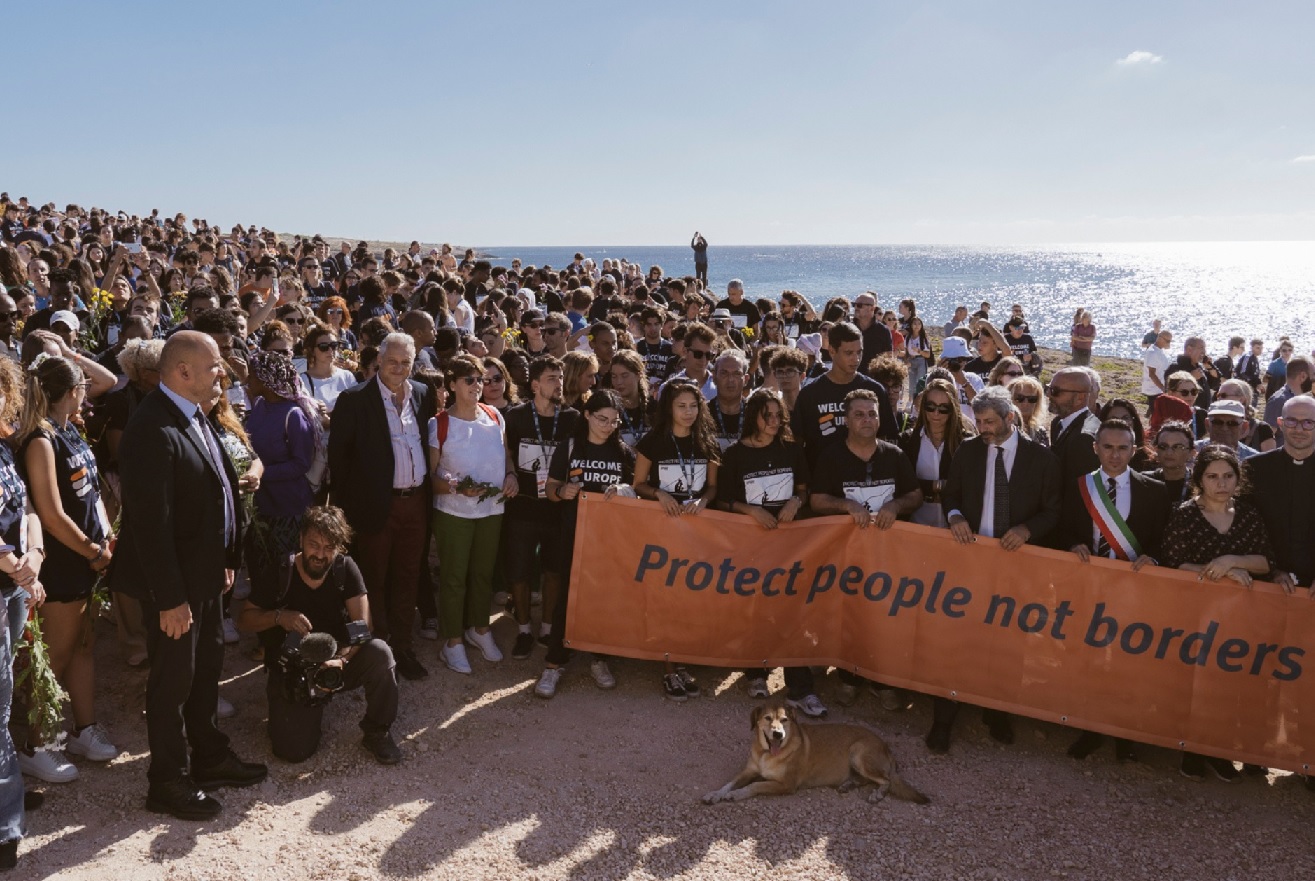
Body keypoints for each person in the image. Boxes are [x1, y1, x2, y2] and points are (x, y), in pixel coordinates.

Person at [112, 331, 266, 820]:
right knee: (172, 684)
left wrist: (223, 558)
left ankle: (210, 757)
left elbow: (211, 494)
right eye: (215, 364)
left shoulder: (194, 415)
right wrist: (170, 598)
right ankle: (167, 781)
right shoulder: (150, 430)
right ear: (182, 372)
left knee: (204, 673)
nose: (223, 371)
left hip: (204, 577)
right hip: (174, 589)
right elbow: (149, 526)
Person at [933, 386, 1061, 753]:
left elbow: (1053, 510)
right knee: (958, 638)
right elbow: (951, 494)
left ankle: (998, 711)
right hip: (971, 563)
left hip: (1017, 567)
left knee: (1010, 641)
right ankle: (944, 717)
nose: (983, 429)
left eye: (989, 422)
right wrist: (955, 516)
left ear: (1010, 418)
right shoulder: (969, 451)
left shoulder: (1042, 460)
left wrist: (1027, 529)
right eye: (978, 422)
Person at [16, 355, 118, 782]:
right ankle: (35, 744)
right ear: (73, 390)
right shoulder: (40, 439)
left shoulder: (68, 429)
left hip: (88, 558)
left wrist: (105, 535)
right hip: (62, 563)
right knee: (53, 657)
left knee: (83, 645)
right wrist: (92, 548)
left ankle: (84, 727)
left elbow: (90, 493)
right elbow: (51, 515)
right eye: (83, 386)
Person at [237, 507, 402, 764]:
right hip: (293, 667)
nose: (320, 555)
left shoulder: (344, 569)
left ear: (338, 547)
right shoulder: (281, 571)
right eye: (314, 545)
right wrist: (280, 617)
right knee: (292, 752)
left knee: (381, 653)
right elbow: (244, 620)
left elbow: (363, 627)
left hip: (335, 660)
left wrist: (343, 661)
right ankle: (290, 709)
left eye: (329, 547)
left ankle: (377, 730)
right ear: (301, 539)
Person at [1159, 445, 1274, 782]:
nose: (1221, 483)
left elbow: (1266, 561)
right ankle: (1193, 750)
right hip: (1195, 615)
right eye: (1212, 476)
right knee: (1196, 684)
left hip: (1242, 617)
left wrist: (1232, 561)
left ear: (1238, 480)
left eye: (1228, 476)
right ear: (1199, 480)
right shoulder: (1184, 514)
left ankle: (1224, 751)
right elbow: (1174, 561)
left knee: (1232, 684)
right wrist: (1221, 573)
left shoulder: (1249, 514)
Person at [326, 333, 437, 682]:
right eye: (393, 361)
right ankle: (378, 649)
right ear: (379, 360)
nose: (399, 369)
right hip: (376, 506)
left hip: (416, 501)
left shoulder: (421, 393)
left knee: (409, 575)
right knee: (373, 577)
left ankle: (403, 646)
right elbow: (338, 460)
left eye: (406, 362)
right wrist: (345, 513)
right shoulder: (354, 399)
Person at [1061, 418, 1171, 763]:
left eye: (1123, 447)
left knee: (1127, 662)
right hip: (1088, 586)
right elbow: (1062, 527)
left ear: (1134, 450)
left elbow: (1164, 540)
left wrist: (1154, 558)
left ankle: (1124, 732)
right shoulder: (1079, 487)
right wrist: (1072, 543)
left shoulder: (1155, 490)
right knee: (1090, 659)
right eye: (1107, 447)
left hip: (1133, 592)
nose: (1114, 454)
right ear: (1096, 448)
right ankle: (1090, 728)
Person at [811, 389, 924, 712]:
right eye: (859, 414)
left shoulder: (894, 454)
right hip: (847, 558)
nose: (866, 420)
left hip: (890, 559)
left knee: (885, 619)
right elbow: (816, 500)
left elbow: (915, 495)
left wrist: (896, 504)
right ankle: (849, 678)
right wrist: (845, 504)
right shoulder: (831, 457)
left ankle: (882, 682)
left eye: (872, 414)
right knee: (851, 617)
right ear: (846, 420)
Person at [715, 389, 815, 706]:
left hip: (789, 544)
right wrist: (751, 511)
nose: (774, 421)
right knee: (754, 609)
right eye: (767, 415)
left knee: (790, 610)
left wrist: (796, 503)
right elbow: (721, 500)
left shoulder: (792, 449)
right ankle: (756, 673)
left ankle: (799, 686)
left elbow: (804, 488)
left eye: (778, 415)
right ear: (753, 416)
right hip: (751, 545)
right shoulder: (734, 455)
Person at [536, 390, 636, 698]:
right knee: (567, 596)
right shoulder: (568, 448)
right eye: (601, 419)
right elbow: (549, 488)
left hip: (609, 540)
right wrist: (562, 490)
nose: (607, 426)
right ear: (587, 416)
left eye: (613, 421)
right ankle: (554, 664)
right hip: (572, 535)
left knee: (603, 599)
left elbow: (637, 492)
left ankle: (599, 658)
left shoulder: (623, 453)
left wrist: (625, 490)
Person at [633, 381, 720, 700]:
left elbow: (712, 487)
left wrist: (704, 501)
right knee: (666, 598)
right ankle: (669, 668)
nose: (688, 412)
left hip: (697, 533)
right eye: (681, 406)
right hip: (662, 532)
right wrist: (659, 494)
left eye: (693, 406)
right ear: (669, 408)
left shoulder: (707, 441)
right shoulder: (653, 441)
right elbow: (638, 483)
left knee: (691, 599)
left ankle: (683, 662)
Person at [428, 355, 515, 674]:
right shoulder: (439, 423)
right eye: (471, 380)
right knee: (454, 578)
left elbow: (506, 456)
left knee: (482, 574)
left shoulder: (494, 415)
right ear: (452, 385)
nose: (479, 386)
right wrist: (455, 488)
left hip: (493, 510)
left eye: (482, 380)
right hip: (453, 514)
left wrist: (511, 476)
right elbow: (432, 479)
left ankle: (479, 629)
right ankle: (452, 643)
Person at [502, 356, 580, 661]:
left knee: (554, 571)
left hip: (557, 508)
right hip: (523, 507)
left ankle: (547, 628)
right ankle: (523, 630)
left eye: (560, 377)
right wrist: (510, 473)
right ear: (534, 384)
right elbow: (506, 451)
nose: (558, 382)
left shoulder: (573, 417)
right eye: (551, 378)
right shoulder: (516, 416)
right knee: (519, 573)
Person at [0, 353, 44, 868]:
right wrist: (10, 561)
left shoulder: (5, 448)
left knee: (5, 700)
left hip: (14, 588)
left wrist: (32, 557)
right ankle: (6, 825)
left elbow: (27, 507)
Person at [244, 351, 320, 570]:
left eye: (253, 376)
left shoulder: (293, 415)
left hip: (288, 507)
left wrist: (261, 473)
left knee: (284, 567)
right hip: (261, 504)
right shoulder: (259, 405)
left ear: (267, 380)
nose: (248, 380)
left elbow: (301, 464)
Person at [792, 322, 898, 471]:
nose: (856, 359)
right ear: (832, 351)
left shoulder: (874, 390)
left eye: (859, 352)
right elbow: (797, 441)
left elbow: (884, 438)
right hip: (822, 481)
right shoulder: (810, 393)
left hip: (863, 479)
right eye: (849, 353)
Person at [1244, 395, 1315, 595]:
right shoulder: (1253, 468)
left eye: (1308, 422)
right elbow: (1242, 525)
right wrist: (1270, 571)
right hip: (1265, 584)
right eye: (1292, 421)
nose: (1299, 429)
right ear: (1280, 423)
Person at [899, 378, 973, 527]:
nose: (936, 413)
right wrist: (938, 486)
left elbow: (970, 485)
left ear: (953, 409)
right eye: (930, 406)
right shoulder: (908, 440)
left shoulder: (966, 442)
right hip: (917, 526)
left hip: (955, 528)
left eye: (943, 408)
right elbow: (902, 483)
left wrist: (927, 487)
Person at [1047, 367, 1101, 512]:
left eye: (1055, 391)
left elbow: (1078, 494)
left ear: (1080, 398)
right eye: (1049, 389)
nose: (1049, 395)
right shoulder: (1058, 423)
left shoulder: (1084, 438)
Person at [1262, 355, 1313, 442]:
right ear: (1303, 376)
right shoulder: (1279, 400)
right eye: (1314, 374)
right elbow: (1267, 437)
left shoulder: (1302, 398)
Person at [1142, 421, 1194, 504]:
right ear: (1156, 450)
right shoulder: (1142, 482)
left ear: (1191, 453)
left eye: (1177, 447)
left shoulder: (1201, 483)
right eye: (1163, 446)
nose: (1169, 452)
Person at [608, 350, 651, 447]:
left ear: (638, 375)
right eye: (614, 376)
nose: (619, 382)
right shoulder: (609, 409)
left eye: (624, 376)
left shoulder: (654, 407)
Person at [710, 350, 748, 451]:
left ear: (746, 379)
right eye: (724, 373)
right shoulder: (702, 413)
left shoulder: (756, 413)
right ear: (714, 377)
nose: (730, 379)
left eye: (736, 373)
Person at [852, 292, 892, 373]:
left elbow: (888, 358)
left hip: (874, 379)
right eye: (854, 304)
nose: (856, 308)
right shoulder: (849, 328)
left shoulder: (883, 331)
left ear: (872, 308)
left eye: (859, 305)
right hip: (851, 378)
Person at [1010, 375, 1050, 447]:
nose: (1026, 403)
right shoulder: (1001, 430)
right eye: (1019, 398)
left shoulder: (1040, 432)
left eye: (1032, 399)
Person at [1142, 329, 1173, 412]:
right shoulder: (1152, 352)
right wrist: (1163, 388)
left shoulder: (1158, 350)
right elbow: (1152, 374)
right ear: (1160, 338)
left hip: (1158, 390)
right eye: (1167, 341)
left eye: (1170, 341)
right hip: (1154, 391)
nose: (1169, 343)